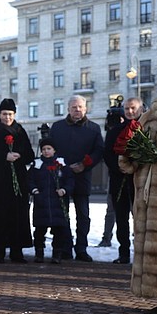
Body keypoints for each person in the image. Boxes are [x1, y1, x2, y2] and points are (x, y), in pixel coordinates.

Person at [119, 74, 157, 314]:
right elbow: (129, 150)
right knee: (152, 245)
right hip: (147, 194)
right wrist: (134, 156)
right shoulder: (147, 116)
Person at [49, 95, 104, 262]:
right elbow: (50, 149)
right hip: (61, 178)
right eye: (74, 107)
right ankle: (64, 248)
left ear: (86, 109)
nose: (77, 110)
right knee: (62, 214)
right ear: (68, 109)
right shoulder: (57, 127)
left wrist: (85, 165)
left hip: (82, 176)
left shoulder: (93, 128)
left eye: (80, 107)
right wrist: (58, 165)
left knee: (83, 215)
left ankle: (81, 248)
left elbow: (98, 151)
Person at [0, 98, 34, 263]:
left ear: (14, 114)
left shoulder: (20, 131)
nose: (7, 117)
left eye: (10, 114)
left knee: (18, 216)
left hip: (18, 181)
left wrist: (19, 156)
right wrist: (4, 156)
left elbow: (30, 154)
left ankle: (17, 251)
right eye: (4, 114)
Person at [104, 97, 143, 264]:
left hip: (140, 181)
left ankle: (141, 254)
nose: (130, 112)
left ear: (141, 108)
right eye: (127, 109)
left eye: (133, 108)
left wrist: (136, 165)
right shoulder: (115, 131)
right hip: (119, 180)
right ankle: (124, 253)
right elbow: (107, 154)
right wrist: (121, 167)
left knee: (141, 219)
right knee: (121, 218)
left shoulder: (146, 128)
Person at [28, 138, 74, 264]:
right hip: (41, 203)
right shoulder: (37, 164)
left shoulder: (61, 164)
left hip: (58, 203)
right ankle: (39, 253)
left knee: (59, 230)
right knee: (39, 230)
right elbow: (30, 180)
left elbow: (70, 180)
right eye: (43, 149)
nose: (46, 151)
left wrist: (64, 190)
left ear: (54, 150)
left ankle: (57, 254)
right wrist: (34, 190)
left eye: (49, 149)